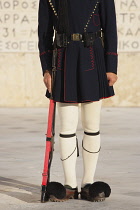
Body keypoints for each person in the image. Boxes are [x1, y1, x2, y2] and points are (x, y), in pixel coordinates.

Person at [38, 0, 118, 202]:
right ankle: (70, 185)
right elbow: (44, 33)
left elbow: (110, 28)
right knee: (67, 127)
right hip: (63, 59)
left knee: (92, 126)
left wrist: (111, 66)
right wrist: (47, 68)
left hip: (92, 55)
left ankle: (88, 183)